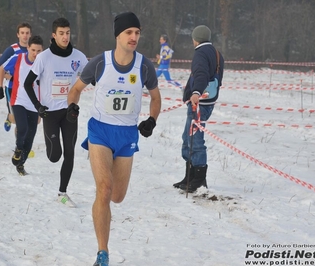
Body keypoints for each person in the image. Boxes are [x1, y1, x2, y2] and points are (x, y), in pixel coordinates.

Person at [67, 12, 161, 266]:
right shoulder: (100, 63)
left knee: (117, 196)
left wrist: (152, 120)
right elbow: (75, 90)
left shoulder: (143, 66)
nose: (134, 37)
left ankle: (103, 210)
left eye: (137, 33)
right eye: (129, 32)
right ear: (117, 35)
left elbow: (155, 97)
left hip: (127, 134)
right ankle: (102, 252)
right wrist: (73, 107)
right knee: (105, 188)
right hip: (100, 132)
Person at [24, 18, 88, 207]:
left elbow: (92, 77)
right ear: (54, 35)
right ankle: (53, 153)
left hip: (69, 111)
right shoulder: (44, 57)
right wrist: (38, 106)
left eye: (67, 33)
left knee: (70, 153)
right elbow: (28, 83)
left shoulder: (78, 57)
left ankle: (62, 193)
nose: (65, 36)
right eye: (61, 33)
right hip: (49, 113)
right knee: (55, 156)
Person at [173, 25, 224, 193]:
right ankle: (190, 176)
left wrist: (195, 93)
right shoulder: (217, 54)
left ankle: (199, 179)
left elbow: (201, 75)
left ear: (195, 39)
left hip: (199, 103)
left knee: (195, 140)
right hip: (208, 102)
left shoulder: (200, 53)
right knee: (188, 137)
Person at [2, 35, 43, 175]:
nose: (36, 54)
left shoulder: (44, 63)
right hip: (19, 100)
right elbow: (2, 69)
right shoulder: (18, 58)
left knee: (31, 137)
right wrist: (1, 87)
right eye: (33, 50)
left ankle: (21, 164)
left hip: (35, 103)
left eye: (39, 51)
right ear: (28, 48)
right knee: (23, 128)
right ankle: (18, 148)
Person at [0, 22, 31, 132]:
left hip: (28, 89)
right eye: (22, 33)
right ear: (18, 35)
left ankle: (21, 146)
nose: (25, 35)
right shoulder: (12, 49)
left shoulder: (33, 49)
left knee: (26, 120)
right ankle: (9, 117)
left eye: (27, 33)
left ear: (30, 35)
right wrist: (8, 77)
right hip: (12, 88)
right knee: (16, 118)